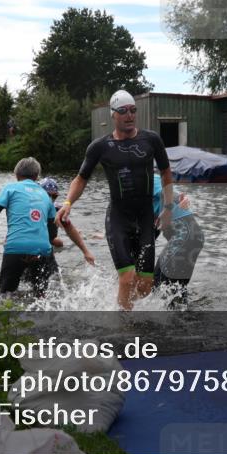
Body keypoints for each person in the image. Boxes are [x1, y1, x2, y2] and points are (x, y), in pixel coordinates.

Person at [57, 90, 174, 310]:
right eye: (123, 111)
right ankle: (124, 323)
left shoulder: (151, 140)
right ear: (113, 114)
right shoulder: (100, 147)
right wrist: (67, 204)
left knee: (146, 284)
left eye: (133, 110)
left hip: (146, 218)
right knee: (128, 277)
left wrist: (168, 207)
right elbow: (81, 179)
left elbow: (167, 173)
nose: (129, 115)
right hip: (119, 218)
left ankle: (132, 312)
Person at [0, 157, 59, 296]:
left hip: (15, 248)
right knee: (40, 296)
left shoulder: (10, 188)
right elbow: (53, 232)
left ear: (16, 174)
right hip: (42, 250)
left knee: (6, 295)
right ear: (37, 176)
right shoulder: (45, 195)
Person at [151, 173, 204, 299]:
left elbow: (168, 192)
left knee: (165, 291)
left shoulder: (149, 179)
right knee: (160, 286)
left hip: (185, 237)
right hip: (188, 239)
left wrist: (177, 201)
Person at [40, 177, 95, 266]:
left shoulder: (58, 209)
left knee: (59, 243)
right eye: (47, 195)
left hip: (47, 241)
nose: (50, 199)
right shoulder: (30, 207)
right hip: (31, 244)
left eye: (54, 196)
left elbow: (70, 229)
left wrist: (86, 252)